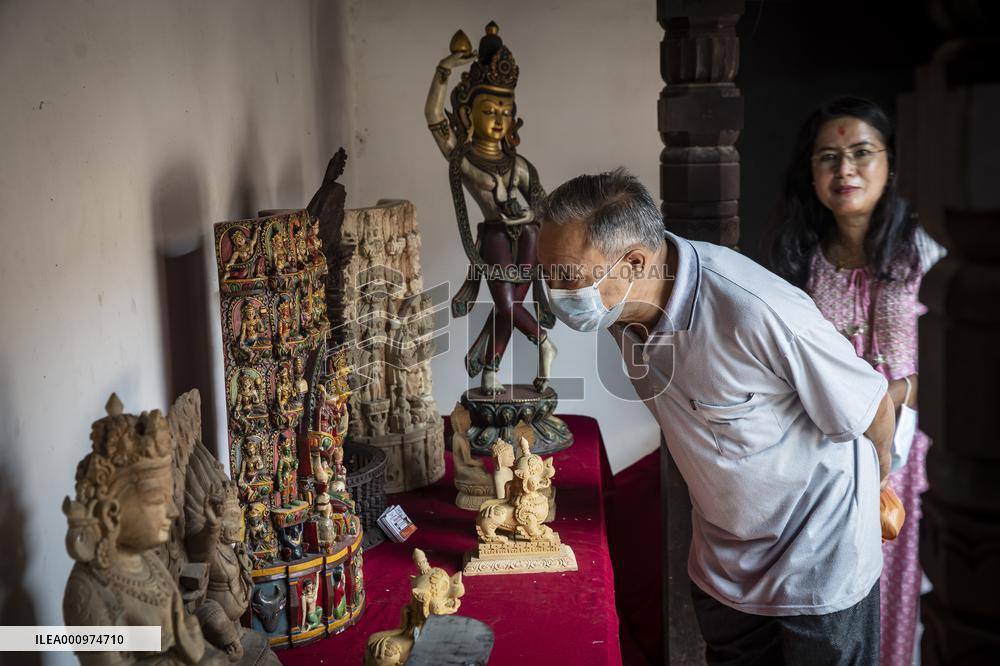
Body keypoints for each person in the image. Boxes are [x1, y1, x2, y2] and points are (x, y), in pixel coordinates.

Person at [536, 168, 895, 665]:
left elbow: (872, 404)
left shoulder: (754, 310)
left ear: (635, 262)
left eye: (566, 277)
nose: (553, 293)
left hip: (818, 562)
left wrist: (878, 482)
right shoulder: (622, 314)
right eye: (547, 273)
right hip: (725, 564)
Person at [769, 96, 946, 666]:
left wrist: (899, 392)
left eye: (861, 153)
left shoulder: (928, 251)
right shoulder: (800, 260)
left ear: (891, 162)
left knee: (910, 601)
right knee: (837, 606)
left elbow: (964, 357)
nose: (845, 170)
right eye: (828, 157)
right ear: (811, 173)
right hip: (829, 460)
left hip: (915, 460)